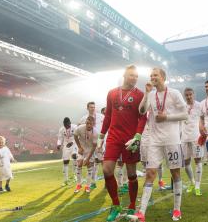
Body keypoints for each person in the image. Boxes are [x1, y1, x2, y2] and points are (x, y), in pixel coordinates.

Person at [131, 68, 188, 221]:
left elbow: (185, 114)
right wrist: (145, 93)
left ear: (163, 77)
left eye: (155, 75)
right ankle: (141, 212)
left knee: (175, 173)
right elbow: (142, 111)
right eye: (151, 75)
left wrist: (167, 117)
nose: (152, 77)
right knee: (150, 173)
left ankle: (177, 209)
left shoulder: (174, 93)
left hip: (172, 139)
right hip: (154, 141)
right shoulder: (150, 94)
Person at [98, 65, 147, 221]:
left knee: (132, 174)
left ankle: (132, 205)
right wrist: (101, 135)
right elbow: (108, 116)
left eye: (136, 76)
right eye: (131, 75)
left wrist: (138, 136)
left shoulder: (140, 95)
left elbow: (143, 117)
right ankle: (116, 205)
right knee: (107, 170)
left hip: (130, 139)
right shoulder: (112, 93)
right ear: (125, 75)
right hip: (113, 137)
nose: (134, 78)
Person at [181, 87, 203, 196]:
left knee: (198, 161)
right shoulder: (182, 107)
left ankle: (198, 186)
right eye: (187, 95)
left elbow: (204, 120)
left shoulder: (200, 105)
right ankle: (192, 182)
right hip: (184, 138)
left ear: (194, 94)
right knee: (186, 162)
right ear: (184, 96)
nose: (189, 97)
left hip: (196, 137)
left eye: (190, 94)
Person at [79, 102, 104, 190]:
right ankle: (93, 182)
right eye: (91, 107)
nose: (92, 108)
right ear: (87, 108)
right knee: (92, 163)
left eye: (93, 107)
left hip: (100, 142)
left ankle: (106, 182)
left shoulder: (101, 117)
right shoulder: (83, 119)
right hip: (89, 145)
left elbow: (106, 127)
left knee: (103, 161)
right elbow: (79, 131)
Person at [73, 116, 98, 193]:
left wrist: (87, 159)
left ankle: (88, 186)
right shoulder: (80, 128)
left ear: (93, 124)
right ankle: (78, 184)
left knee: (89, 165)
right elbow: (75, 135)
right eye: (87, 123)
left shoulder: (96, 133)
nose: (88, 125)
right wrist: (79, 147)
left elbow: (94, 147)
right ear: (85, 123)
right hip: (82, 149)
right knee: (79, 163)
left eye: (90, 124)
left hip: (90, 150)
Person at [57, 117, 78, 186]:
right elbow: (59, 138)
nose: (66, 127)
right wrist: (59, 144)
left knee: (74, 156)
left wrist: (72, 142)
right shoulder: (61, 129)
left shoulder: (75, 127)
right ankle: (65, 180)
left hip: (74, 143)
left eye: (67, 125)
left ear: (70, 123)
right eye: (65, 125)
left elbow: (78, 137)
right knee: (65, 162)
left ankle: (74, 175)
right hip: (66, 145)